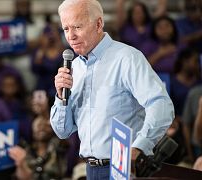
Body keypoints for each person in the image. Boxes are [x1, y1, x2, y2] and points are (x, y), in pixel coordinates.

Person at [51, 0, 174, 179]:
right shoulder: (73, 67)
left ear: (99, 24)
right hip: (91, 170)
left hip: (124, 168)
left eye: (77, 27)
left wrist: (139, 146)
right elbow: (62, 131)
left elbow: (162, 105)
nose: (71, 36)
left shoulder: (127, 58)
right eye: (66, 29)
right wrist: (61, 96)